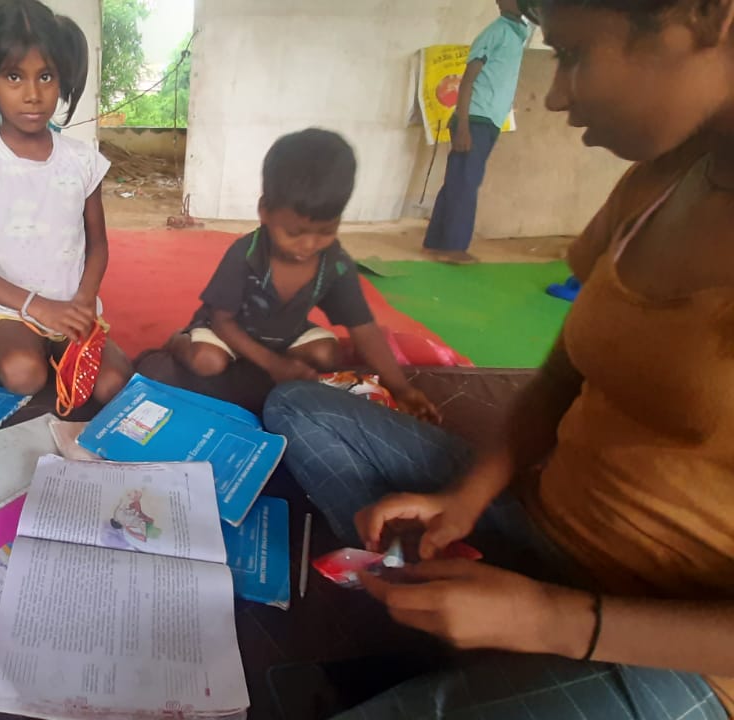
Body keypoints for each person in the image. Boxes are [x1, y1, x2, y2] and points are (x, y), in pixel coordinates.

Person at [264, 0, 734, 716]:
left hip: (675, 646)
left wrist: (555, 620)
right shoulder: (659, 182)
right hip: (542, 527)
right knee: (302, 408)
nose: (555, 93)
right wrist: (468, 499)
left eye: (573, 55)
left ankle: (489, 647)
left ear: (709, 17)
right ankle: (455, 623)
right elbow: (559, 376)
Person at [168, 129, 441, 422]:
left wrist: (401, 388)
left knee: (327, 355)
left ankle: (266, 365)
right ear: (264, 211)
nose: (309, 246)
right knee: (207, 361)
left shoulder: (335, 264)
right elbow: (223, 322)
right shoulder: (244, 254)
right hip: (227, 332)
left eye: (326, 231)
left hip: (284, 334)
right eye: (294, 232)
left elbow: (364, 328)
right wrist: (273, 365)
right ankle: (178, 340)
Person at [0, 0, 131, 400]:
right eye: (14, 77)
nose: (32, 94)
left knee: (114, 382)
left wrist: (82, 301)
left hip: (75, 309)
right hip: (14, 313)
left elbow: (97, 244)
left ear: (61, 78)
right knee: (24, 374)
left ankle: (63, 350)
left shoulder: (82, 160)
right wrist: (37, 307)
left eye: (45, 76)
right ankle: (32, 350)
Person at [422, 0, 531, 264]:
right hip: (474, 118)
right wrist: (462, 125)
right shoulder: (497, 31)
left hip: (488, 119)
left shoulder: (519, 33)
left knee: (459, 181)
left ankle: (438, 242)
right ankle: (453, 248)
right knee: (466, 183)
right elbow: (469, 77)